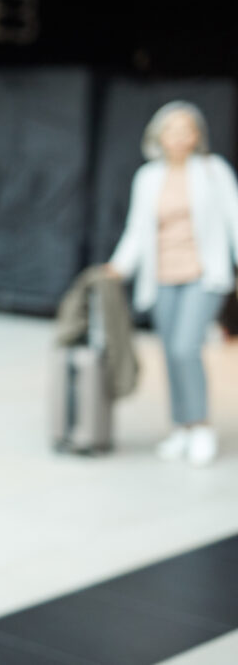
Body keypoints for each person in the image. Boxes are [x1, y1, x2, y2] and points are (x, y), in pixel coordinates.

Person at [105, 101, 238, 466]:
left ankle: (201, 425)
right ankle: (180, 426)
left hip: (203, 275)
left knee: (185, 348)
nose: (180, 137)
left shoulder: (214, 171)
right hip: (162, 277)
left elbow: (234, 220)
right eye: (172, 130)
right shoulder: (147, 177)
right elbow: (136, 231)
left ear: (197, 136)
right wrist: (118, 267)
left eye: (187, 129)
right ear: (158, 135)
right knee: (170, 352)